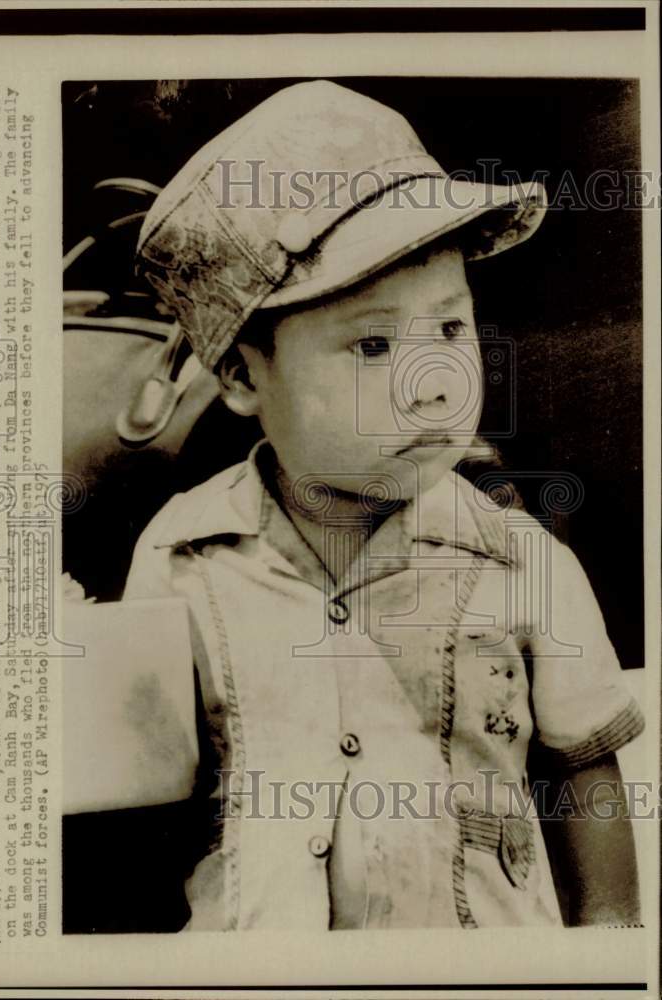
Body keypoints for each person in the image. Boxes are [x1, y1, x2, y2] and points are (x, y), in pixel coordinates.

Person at [115, 80, 643, 930]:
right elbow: (146, 799)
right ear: (245, 377)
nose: (433, 384)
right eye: (371, 344)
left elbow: (586, 775)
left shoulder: (524, 563)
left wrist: (611, 943)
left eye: (448, 330)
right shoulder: (181, 556)